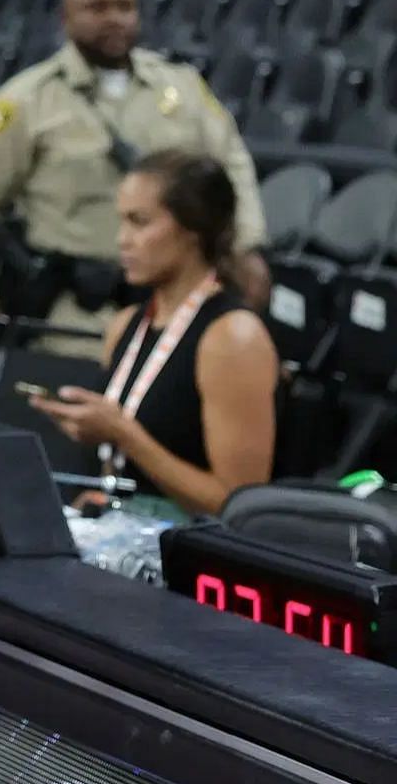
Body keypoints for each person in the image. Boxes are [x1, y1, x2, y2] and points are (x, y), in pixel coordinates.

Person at [0, 0, 270, 351]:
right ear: (66, 18)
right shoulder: (28, 100)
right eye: (97, 8)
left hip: (181, 302)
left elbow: (231, 163)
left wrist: (247, 245)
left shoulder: (182, 88)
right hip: (81, 316)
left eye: (124, 6)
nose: (114, 19)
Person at [28, 151, 276, 520]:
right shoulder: (127, 323)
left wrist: (125, 435)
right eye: (122, 222)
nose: (122, 240)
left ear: (193, 229)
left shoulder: (231, 337)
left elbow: (239, 505)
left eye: (139, 223)